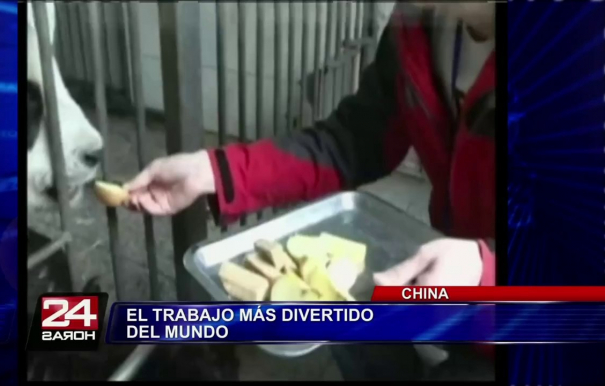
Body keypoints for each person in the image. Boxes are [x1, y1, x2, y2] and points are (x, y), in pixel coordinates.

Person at [124, 2, 496, 381]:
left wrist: (486, 275)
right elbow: (355, 138)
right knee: (347, 320)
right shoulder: (418, 21)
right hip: (453, 265)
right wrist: (215, 172)